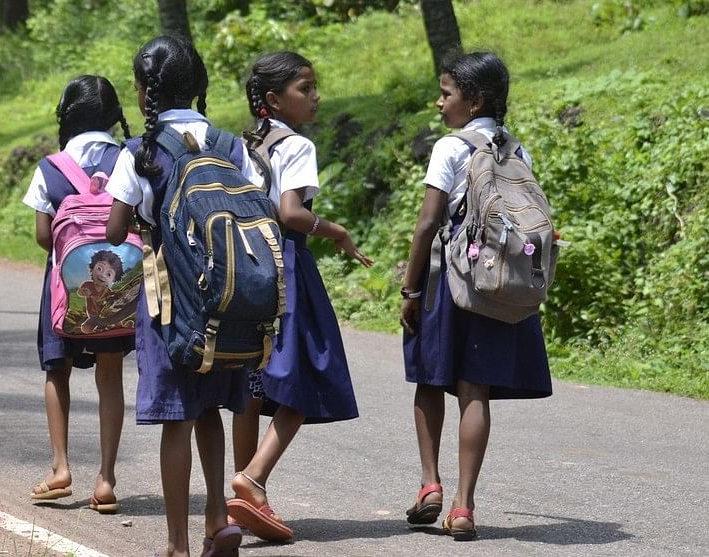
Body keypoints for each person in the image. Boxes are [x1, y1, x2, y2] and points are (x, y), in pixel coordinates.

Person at [105, 35, 256, 557]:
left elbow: (114, 227)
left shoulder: (140, 151)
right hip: (228, 296)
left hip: (169, 300)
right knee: (212, 408)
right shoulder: (231, 144)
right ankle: (218, 519)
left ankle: (176, 545)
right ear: (198, 86)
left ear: (146, 91)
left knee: (177, 417)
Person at [399, 51, 552, 541]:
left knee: (428, 379)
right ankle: (464, 506)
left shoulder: (450, 147)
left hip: (450, 280)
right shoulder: (517, 151)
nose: (440, 102)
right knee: (475, 390)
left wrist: (410, 286)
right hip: (498, 282)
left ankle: (429, 485)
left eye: (447, 93)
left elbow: (427, 224)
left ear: (475, 99)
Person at [227, 51, 373, 543]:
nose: (315, 97)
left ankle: (237, 499)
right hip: (287, 266)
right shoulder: (297, 146)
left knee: (251, 381)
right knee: (310, 372)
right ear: (273, 99)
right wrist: (335, 230)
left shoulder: (239, 146)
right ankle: (252, 478)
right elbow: (291, 212)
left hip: (243, 268)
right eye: (305, 88)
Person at [23, 75, 134, 514]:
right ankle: (106, 479)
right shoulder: (127, 158)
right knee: (110, 377)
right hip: (117, 293)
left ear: (66, 115)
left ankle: (61, 468)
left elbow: (44, 238)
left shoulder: (51, 166)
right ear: (113, 115)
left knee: (57, 372)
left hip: (63, 291)